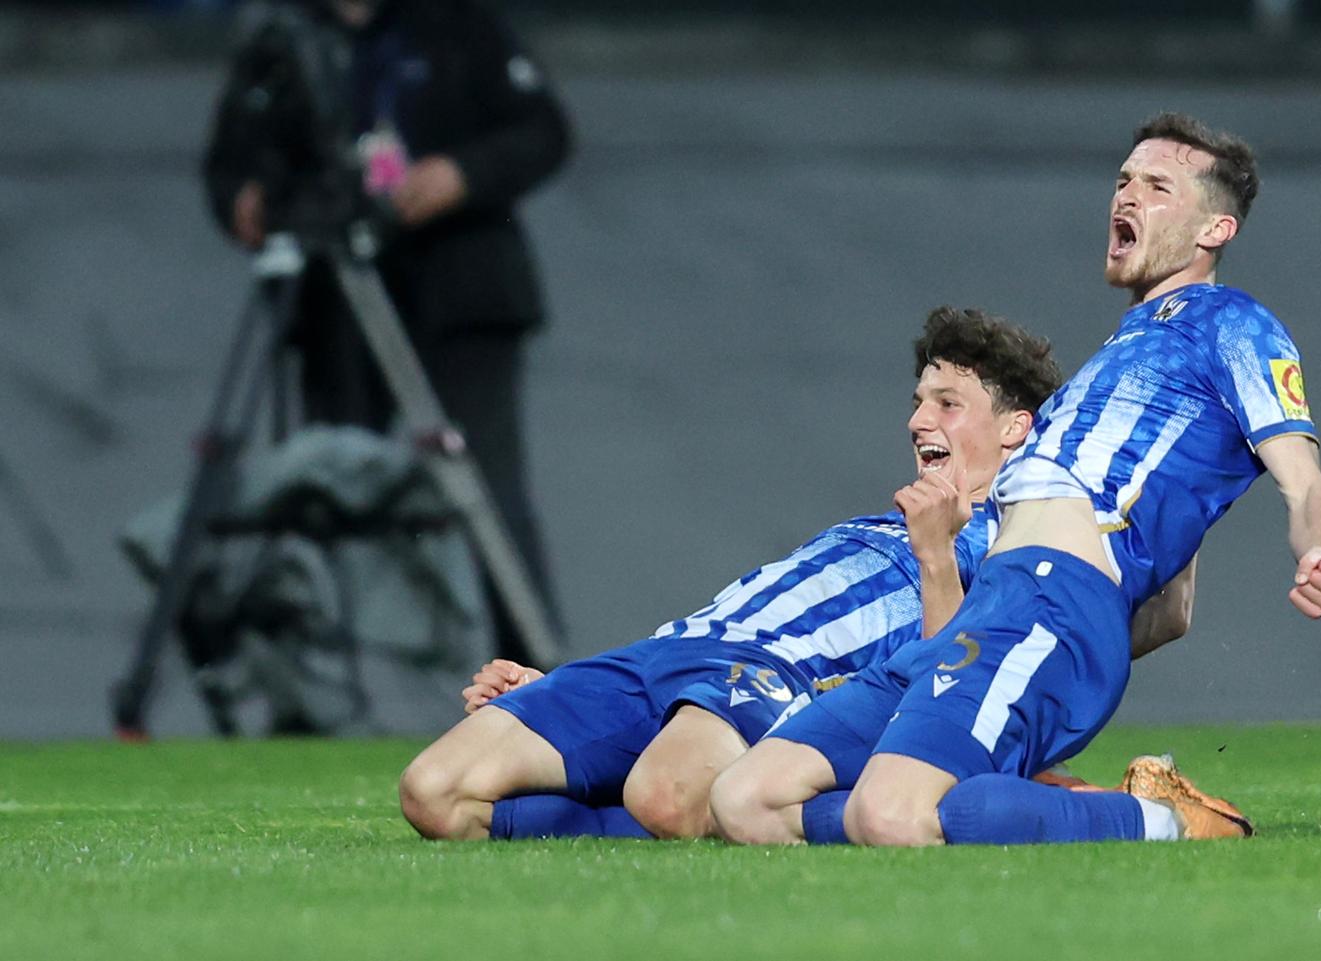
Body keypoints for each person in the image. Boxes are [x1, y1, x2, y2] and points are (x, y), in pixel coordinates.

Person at [709, 112, 1321, 847]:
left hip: (1050, 600)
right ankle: (999, 797)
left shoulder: (1234, 326)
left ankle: (1165, 821)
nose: (1127, 196)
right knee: (745, 799)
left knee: (887, 814)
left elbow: (1307, 484)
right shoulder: (1119, 363)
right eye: (1122, 180)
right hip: (991, 611)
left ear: (1215, 231)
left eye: (1158, 186)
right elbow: (1172, 609)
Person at [398, 307, 1081, 841]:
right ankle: (633, 770)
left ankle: (754, 803)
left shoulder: (1013, 542)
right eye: (918, 399)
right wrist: (561, 697)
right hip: (667, 654)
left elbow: (956, 691)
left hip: (774, 676)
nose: (915, 419)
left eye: (946, 402)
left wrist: (936, 554)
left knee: (663, 795)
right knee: (433, 793)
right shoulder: (878, 524)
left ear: (1016, 426)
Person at [201, 0, 571, 661]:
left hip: (461, 289)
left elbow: (543, 131)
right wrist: (243, 199)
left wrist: (462, 175)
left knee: (488, 489)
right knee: (327, 484)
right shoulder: (284, 38)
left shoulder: (458, 24)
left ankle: (532, 675)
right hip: (332, 301)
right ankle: (317, 670)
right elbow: (229, 160)